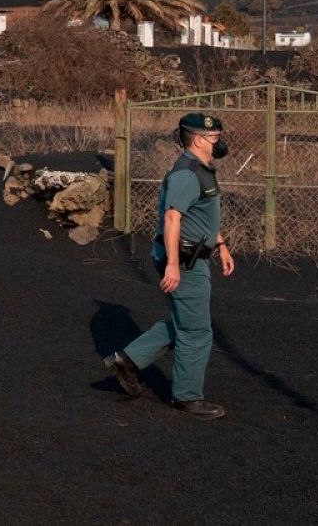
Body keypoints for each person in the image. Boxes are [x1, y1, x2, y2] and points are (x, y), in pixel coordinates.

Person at [103, 111, 236, 419]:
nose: (219, 143)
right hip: (185, 261)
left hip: (193, 256)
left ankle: (128, 360)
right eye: (215, 138)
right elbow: (172, 219)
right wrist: (174, 265)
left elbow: (200, 215)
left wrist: (221, 245)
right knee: (197, 330)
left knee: (184, 321)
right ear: (200, 139)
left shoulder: (202, 170)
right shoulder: (187, 174)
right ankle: (187, 397)